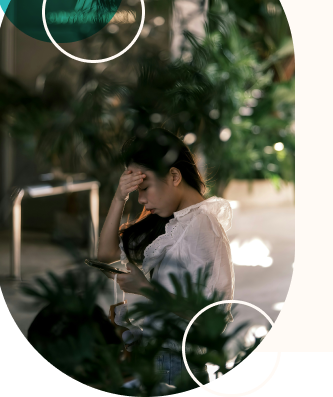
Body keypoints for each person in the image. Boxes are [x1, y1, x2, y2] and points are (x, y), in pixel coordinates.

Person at [96, 127, 234, 386]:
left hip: (177, 363)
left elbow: (213, 319)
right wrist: (119, 196)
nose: (142, 200)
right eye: (136, 191)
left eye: (145, 187)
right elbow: (105, 255)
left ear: (173, 176)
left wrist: (147, 289)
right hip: (153, 355)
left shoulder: (203, 226)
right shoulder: (169, 222)